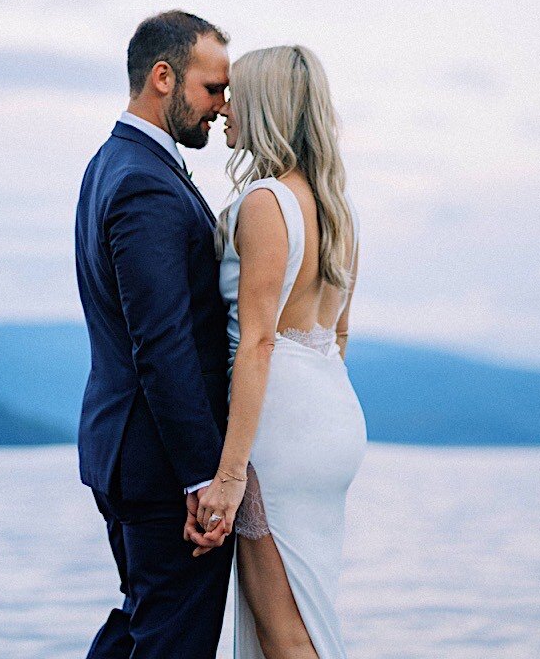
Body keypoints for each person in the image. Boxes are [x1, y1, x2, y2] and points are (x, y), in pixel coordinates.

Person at [192, 44, 367, 658]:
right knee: (309, 613)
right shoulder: (336, 211)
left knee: (282, 629)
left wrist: (229, 474)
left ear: (267, 106)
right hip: (331, 414)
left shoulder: (268, 203)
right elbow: (338, 335)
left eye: (236, 94)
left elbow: (258, 340)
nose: (224, 108)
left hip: (279, 427)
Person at [75, 10, 234, 659]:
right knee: (171, 642)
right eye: (212, 89)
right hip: (162, 465)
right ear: (163, 77)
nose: (223, 108)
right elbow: (162, 345)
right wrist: (203, 476)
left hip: (126, 450)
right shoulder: (145, 182)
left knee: (142, 626)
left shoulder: (109, 165)